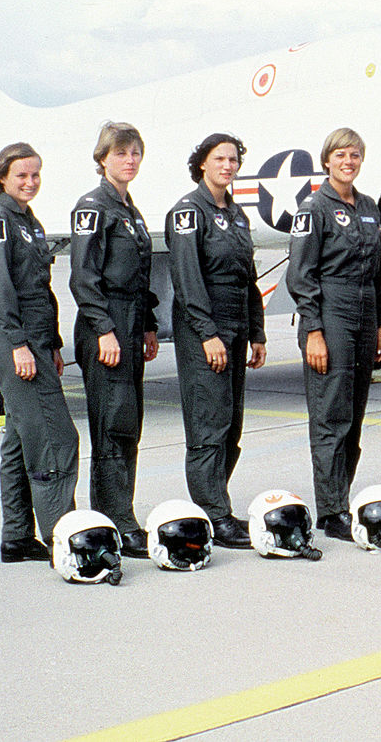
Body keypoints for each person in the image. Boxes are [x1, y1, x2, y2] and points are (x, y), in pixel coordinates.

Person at [285, 128, 381, 541]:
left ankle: (340, 496)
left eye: (355, 155)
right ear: (326, 161)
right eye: (340, 155)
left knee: (354, 415)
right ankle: (330, 511)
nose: (348, 161)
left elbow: (379, 270)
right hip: (330, 312)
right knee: (331, 415)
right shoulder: (313, 208)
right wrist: (313, 330)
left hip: (366, 312)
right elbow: (300, 275)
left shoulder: (368, 207)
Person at [0, 142, 79, 563]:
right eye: (21, 175)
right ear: (2, 176)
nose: (30, 182)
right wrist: (20, 344)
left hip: (36, 341)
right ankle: (64, 537)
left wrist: (51, 343)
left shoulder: (29, 222)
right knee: (55, 438)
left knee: (20, 439)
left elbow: (41, 288)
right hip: (15, 340)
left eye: (35, 175)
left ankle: (17, 537)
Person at [165, 133, 266, 549]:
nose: (228, 165)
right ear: (202, 164)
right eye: (219, 159)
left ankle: (216, 505)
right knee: (209, 424)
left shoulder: (237, 215)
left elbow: (248, 277)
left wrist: (257, 331)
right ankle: (213, 513)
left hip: (237, 325)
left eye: (233, 160)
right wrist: (208, 334)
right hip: (203, 329)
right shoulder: (189, 212)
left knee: (231, 424)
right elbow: (187, 281)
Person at [68, 122, 159, 559]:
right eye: (121, 152)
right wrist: (104, 329)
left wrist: (147, 325)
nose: (130, 160)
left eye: (136, 153)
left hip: (128, 323)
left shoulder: (130, 210)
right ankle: (114, 518)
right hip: (104, 325)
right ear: (103, 158)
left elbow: (140, 276)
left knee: (128, 425)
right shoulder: (94, 207)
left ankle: (121, 512)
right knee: (112, 424)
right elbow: (84, 278)